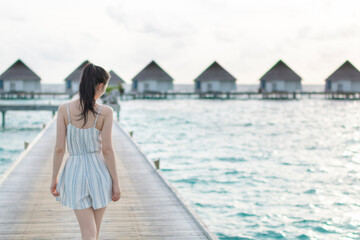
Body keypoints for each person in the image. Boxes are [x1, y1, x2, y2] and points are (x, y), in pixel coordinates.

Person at [50, 62, 121, 240]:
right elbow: (107, 149)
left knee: (88, 233)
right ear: (100, 86)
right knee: (93, 233)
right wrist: (116, 182)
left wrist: (54, 178)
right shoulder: (106, 112)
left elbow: (59, 148)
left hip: (75, 173)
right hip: (99, 173)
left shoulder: (64, 110)